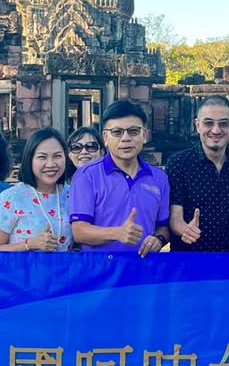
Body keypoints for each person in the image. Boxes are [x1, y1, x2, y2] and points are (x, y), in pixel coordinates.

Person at [70, 99, 171, 256]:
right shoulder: (87, 176)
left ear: (145, 135)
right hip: (101, 267)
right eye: (117, 132)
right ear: (105, 138)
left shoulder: (159, 178)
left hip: (144, 265)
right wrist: (117, 233)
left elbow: (163, 226)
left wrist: (159, 239)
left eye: (133, 131)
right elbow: (79, 231)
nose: (125, 138)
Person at [167, 95, 229, 252]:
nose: (216, 130)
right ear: (197, 125)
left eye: (223, 124)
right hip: (188, 257)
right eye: (208, 123)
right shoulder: (179, 164)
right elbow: (175, 216)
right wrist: (185, 230)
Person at [0, 129, 75, 252]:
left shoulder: (74, 194)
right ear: (30, 159)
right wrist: (29, 244)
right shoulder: (12, 197)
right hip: (21, 265)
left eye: (57, 156)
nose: (50, 164)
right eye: (42, 157)